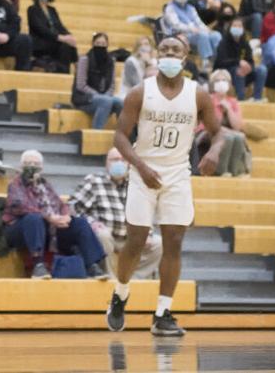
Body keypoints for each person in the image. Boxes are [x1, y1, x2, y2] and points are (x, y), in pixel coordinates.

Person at [106, 34, 222, 337]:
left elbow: (219, 132)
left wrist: (213, 150)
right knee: (137, 239)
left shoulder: (198, 94)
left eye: (176, 49)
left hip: (177, 174)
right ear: (158, 55)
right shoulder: (139, 92)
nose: (170, 53)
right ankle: (120, 294)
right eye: (165, 49)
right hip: (143, 170)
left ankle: (162, 313)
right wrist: (140, 166)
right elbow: (120, 136)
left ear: (185, 57)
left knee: (174, 241)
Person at [4, 149, 108, 279]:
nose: (32, 167)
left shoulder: (45, 184)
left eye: (36, 164)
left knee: (79, 222)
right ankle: (38, 265)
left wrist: (66, 216)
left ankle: (92, 265)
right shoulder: (15, 184)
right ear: (21, 166)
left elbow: (60, 204)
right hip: (21, 230)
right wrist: (49, 217)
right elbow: (19, 206)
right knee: (34, 218)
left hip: (47, 229)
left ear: (41, 168)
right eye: (28, 163)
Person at [70, 149, 163, 279]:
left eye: (123, 160)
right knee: (101, 235)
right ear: (106, 163)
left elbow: (145, 213)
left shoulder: (136, 185)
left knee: (158, 243)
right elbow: (74, 208)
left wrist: (148, 233)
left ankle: (134, 281)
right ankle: (112, 282)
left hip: (130, 239)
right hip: (106, 236)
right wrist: (93, 224)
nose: (119, 163)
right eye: (114, 160)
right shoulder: (94, 181)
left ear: (129, 164)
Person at [199, 70, 251, 176]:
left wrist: (229, 109)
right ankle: (220, 170)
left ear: (229, 84)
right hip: (206, 132)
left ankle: (234, 171)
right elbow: (210, 125)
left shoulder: (233, 101)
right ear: (213, 84)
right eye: (217, 80)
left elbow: (237, 127)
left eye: (224, 80)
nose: (221, 83)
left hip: (229, 132)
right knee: (228, 137)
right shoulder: (208, 99)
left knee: (239, 136)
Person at [73, 33, 123, 130]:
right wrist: (98, 95)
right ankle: (96, 132)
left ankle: (125, 134)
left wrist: (106, 95)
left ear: (107, 45)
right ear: (92, 44)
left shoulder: (110, 61)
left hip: (103, 98)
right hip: (85, 99)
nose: (100, 46)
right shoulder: (85, 59)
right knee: (106, 101)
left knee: (119, 102)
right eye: (98, 43)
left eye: (103, 44)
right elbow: (81, 85)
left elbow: (112, 84)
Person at [160, 0, 219, 65]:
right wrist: (191, 29)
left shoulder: (191, 8)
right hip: (180, 35)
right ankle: (206, 61)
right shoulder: (170, 8)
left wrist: (206, 29)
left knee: (216, 35)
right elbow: (176, 25)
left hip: (195, 33)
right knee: (202, 35)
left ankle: (216, 59)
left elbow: (198, 22)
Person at [27, 0, 78, 72]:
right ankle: (75, 65)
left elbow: (59, 26)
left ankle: (70, 69)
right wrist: (59, 37)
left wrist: (69, 36)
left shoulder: (52, 10)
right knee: (64, 44)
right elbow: (40, 29)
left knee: (69, 42)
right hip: (40, 42)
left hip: (54, 41)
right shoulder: (32, 9)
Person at [213, 20, 265, 101]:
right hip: (226, 72)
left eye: (239, 26)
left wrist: (249, 67)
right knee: (238, 70)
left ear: (243, 29)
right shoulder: (223, 42)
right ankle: (241, 99)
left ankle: (257, 98)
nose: (237, 28)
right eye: (235, 26)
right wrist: (238, 62)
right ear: (230, 28)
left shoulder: (245, 43)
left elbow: (250, 61)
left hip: (244, 72)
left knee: (262, 69)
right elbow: (221, 62)